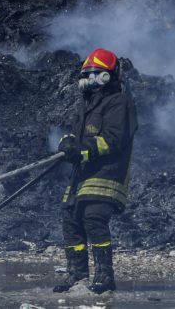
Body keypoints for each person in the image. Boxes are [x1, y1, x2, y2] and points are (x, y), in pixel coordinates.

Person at [52, 47, 138, 294]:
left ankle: (104, 277)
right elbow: (73, 133)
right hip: (81, 174)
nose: (91, 80)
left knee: (93, 218)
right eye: (88, 75)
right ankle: (77, 275)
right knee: (70, 218)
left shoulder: (119, 102)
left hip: (107, 173)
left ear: (109, 76)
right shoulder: (85, 105)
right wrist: (67, 143)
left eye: (97, 74)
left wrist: (82, 150)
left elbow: (113, 139)